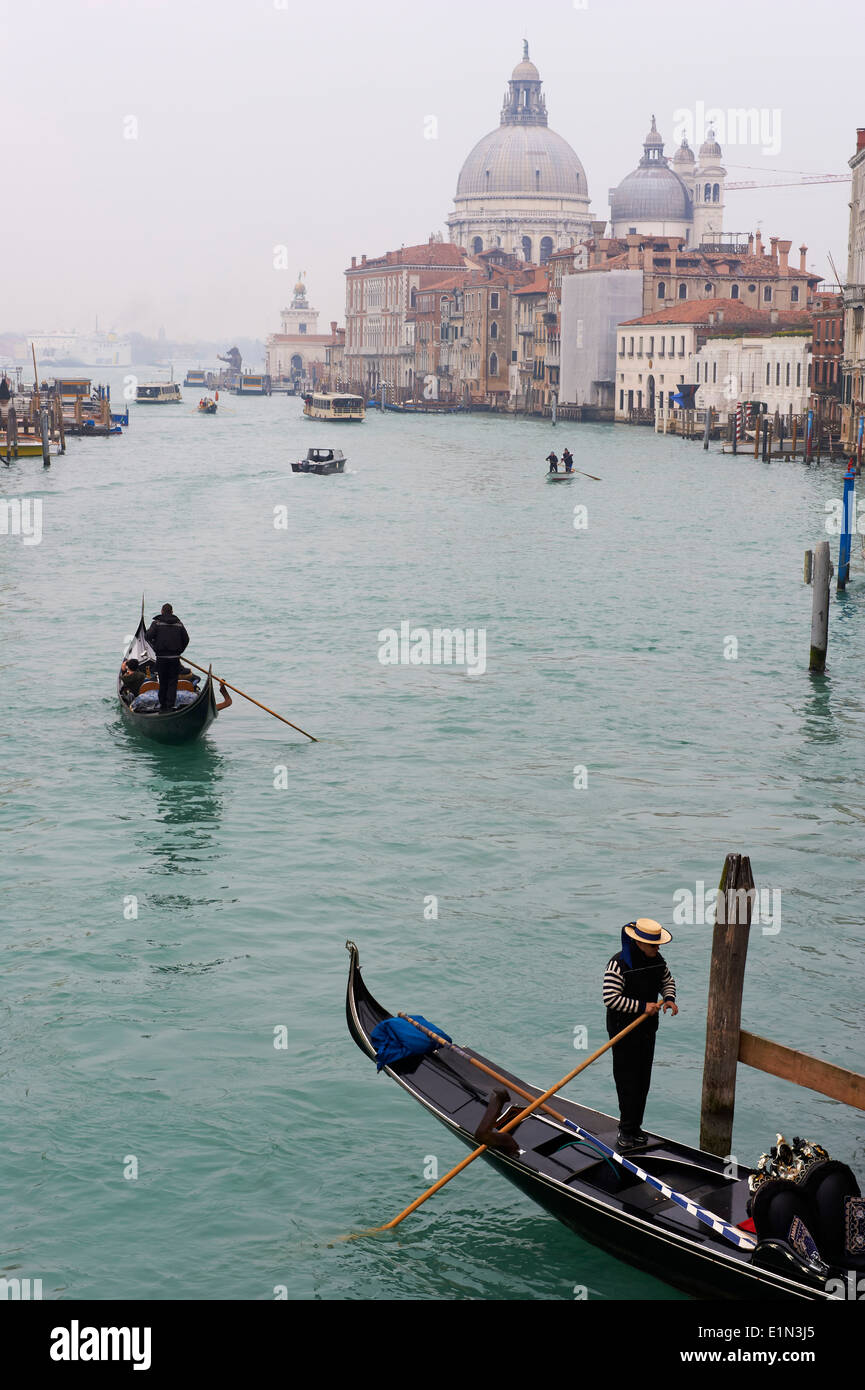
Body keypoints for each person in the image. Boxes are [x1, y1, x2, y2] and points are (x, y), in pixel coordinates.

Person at [602, 919, 678, 1153]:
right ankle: (625, 1130)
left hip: (646, 1031)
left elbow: (667, 981)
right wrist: (642, 1007)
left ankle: (635, 1128)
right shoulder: (618, 964)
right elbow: (610, 998)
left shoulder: (657, 961)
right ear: (639, 943)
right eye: (653, 945)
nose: (658, 949)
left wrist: (669, 999)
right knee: (626, 1080)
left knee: (642, 1080)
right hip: (622, 1031)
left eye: (657, 945)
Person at [145, 603, 190, 711]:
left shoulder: (156, 623)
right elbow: (186, 639)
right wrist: (179, 651)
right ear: (172, 612)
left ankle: (163, 704)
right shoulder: (179, 624)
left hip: (161, 658)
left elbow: (147, 637)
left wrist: (155, 647)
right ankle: (170, 705)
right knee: (172, 681)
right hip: (174, 658)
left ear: (162, 612)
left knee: (163, 681)